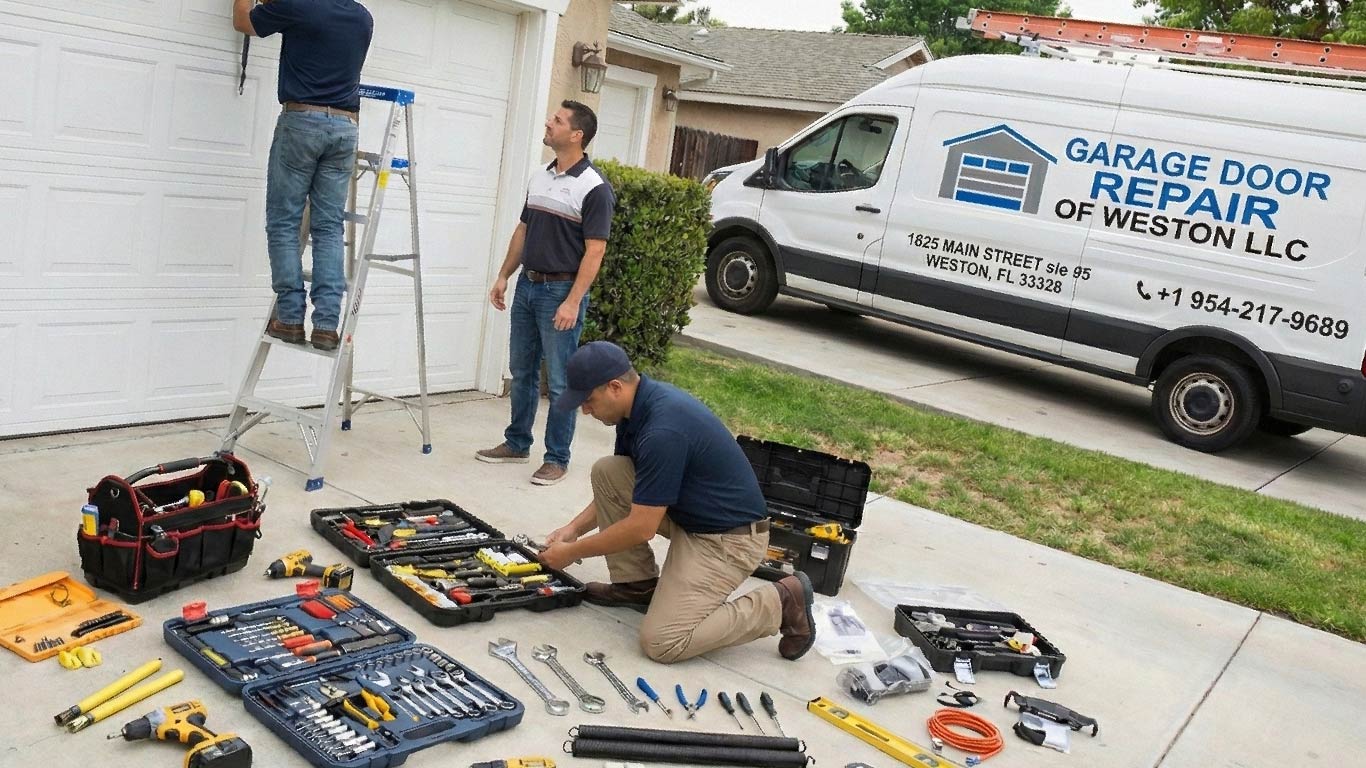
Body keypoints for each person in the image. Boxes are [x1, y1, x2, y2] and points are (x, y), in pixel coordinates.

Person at [536, 341, 816, 664]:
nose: (585, 410)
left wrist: (572, 553)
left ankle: (781, 601)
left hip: (729, 541)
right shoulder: (633, 410)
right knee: (609, 471)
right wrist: (572, 530)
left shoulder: (661, 430)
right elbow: (624, 492)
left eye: (588, 401)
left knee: (663, 642)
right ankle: (636, 585)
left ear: (615, 387)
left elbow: (641, 528)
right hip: (691, 516)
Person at [477, 102, 616, 486]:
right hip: (527, 286)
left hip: (560, 291)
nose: (548, 123)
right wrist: (504, 275)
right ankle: (517, 442)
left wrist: (573, 301)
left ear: (577, 135)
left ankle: (557, 458)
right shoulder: (540, 177)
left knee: (559, 382)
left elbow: (596, 250)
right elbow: (523, 230)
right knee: (521, 371)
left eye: (557, 120)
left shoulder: (594, 188)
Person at [232, 0, 373, 352]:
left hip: (302, 122)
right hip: (345, 127)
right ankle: (326, 325)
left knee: (283, 222)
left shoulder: (299, 7)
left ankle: (290, 317)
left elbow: (243, 21)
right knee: (328, 227)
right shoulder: (362, 18)